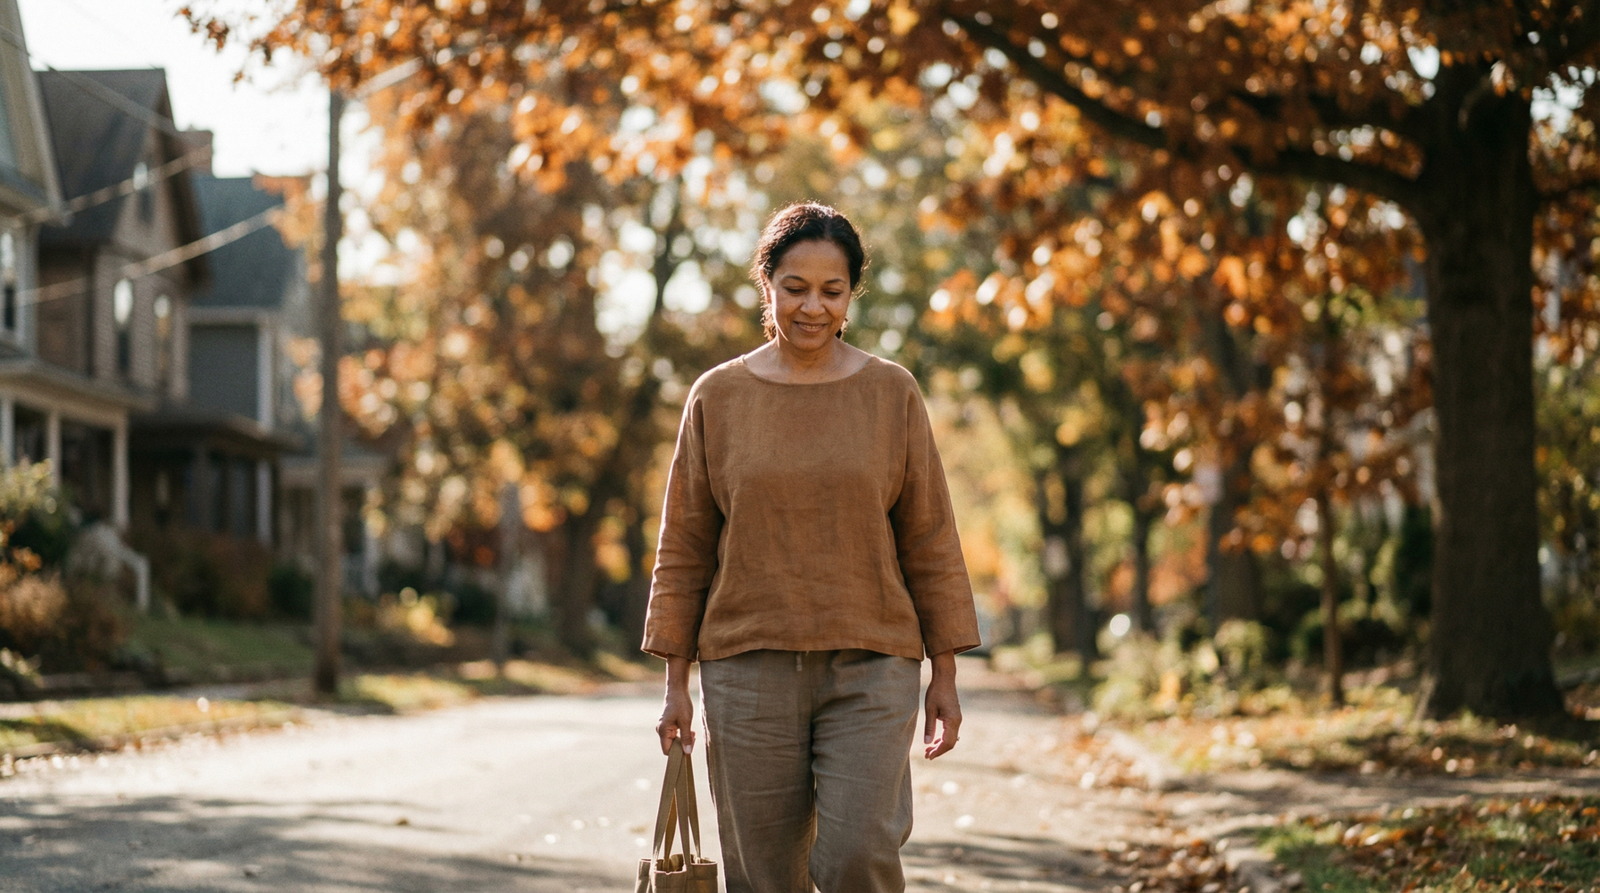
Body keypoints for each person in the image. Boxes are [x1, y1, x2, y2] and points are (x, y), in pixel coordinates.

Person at [642, 201, 981, 893]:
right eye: (795, 287)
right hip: (746, 667)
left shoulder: (892, 393)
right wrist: (675, 685)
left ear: (852, 295)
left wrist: (944, 670)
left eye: (832, 291)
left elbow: (930, 537)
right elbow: (684, 547)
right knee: (765, 877)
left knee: (858, 855)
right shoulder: (719, 396)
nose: (812, 308)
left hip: (872, 664)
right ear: (766, 284)